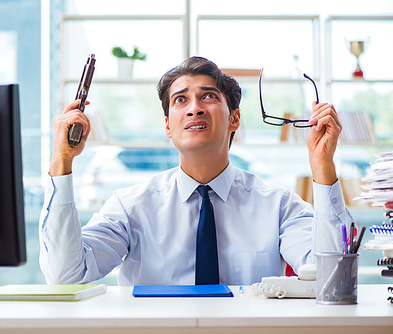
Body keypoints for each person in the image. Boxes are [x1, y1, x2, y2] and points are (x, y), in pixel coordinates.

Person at [39, 56, 354, 286]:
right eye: (181, 100)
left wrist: (322, 166)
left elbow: (331, 277)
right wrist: (61, 163)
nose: (194, 107)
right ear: (168, 126)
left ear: (234, 120)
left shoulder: (279, 205)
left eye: (209, 96)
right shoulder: (131, 206)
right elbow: (66, 275)